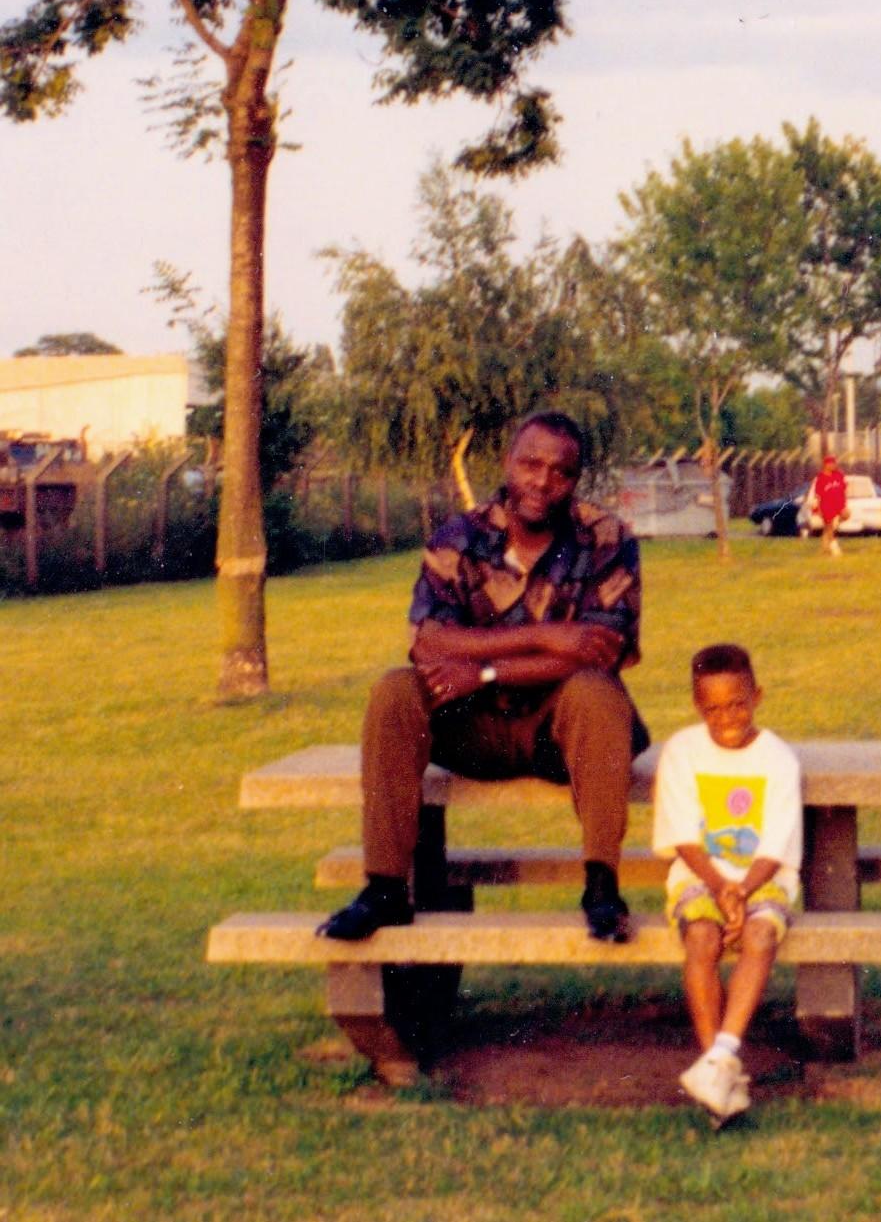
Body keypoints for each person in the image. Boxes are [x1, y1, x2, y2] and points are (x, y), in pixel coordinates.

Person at [319, 411, 648, 946]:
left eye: (561, 471)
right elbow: (427, 642)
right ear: (507, 462)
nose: (542, 481)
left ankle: (601, 888)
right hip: (471, 727)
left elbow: (601, 652)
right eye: (530, 464)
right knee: (395, 689)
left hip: (559, 734)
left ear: (576, 479)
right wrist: (545, 636)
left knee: (596, 691)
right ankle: (384, 888)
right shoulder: (459, 538)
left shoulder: (606, 538)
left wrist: (486, 669)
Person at [652, 643, 802, 1123]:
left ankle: (721, 1057)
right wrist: (721, 887)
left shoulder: (778, 759)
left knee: (760, 935)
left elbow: (774, 847)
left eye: (737, 704)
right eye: (713, 709)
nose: (726, 718)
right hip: (701, 875)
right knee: (702, 937)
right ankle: (715, 1069)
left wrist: (743, 891)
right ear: (698, 706)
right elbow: (684, 839)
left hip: (764, 877)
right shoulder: (682, 752)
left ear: (757, 696)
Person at [813, 453, 849, 558]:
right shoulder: (820, 478)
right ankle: (834, 548)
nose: (834, 465)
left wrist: (845, 503)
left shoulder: (839, 475)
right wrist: (818, 508)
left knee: (846, 515)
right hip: (826, 505)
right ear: (826, 465)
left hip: (839, 504)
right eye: (831, 463)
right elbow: (818, 495)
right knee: (829, 527)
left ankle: (827, 541)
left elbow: (844, 489)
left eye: (834, 463)